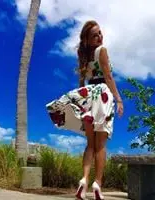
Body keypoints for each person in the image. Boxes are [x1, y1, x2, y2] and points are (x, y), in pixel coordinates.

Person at [46, 20, 123, 200]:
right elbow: (108, 77)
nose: (100, 36)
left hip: (89, 97)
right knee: (100, 145)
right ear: (88, 40)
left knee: (90, 144)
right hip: (103, 95)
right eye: (95, 35)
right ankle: (97, 183)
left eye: (100, 33)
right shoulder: (101, 51)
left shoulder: (84, 59)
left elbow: (82, 84)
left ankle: (84, 180)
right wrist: (118, 99)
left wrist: (82, 105)